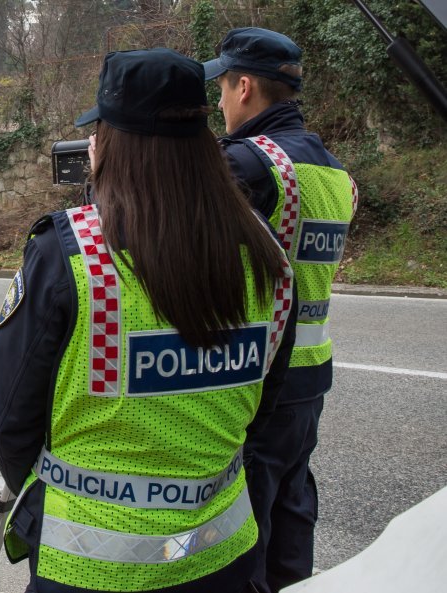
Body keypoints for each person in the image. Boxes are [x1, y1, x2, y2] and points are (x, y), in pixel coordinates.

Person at [0, 48, 298, 593]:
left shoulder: (71, 254)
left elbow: (10, 420)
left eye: (97, 131)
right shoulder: (266, 251)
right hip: (224, 558)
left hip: (89, 569)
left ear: (110, 144)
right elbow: (263, 408)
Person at [203, 28, 358, 593]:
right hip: (312, 377)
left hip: (257, 384)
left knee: (246, 534)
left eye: (221, 87)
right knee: (294, 513)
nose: (218, 101)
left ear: (245, 87)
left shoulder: (247, 163)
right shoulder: (336, 172)